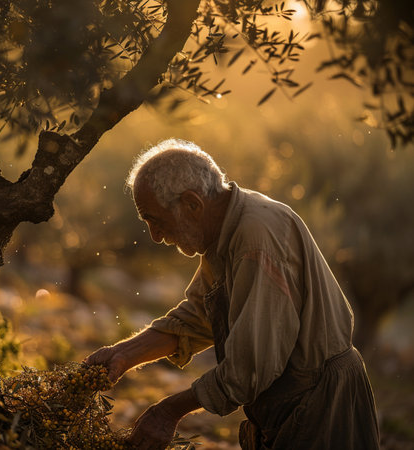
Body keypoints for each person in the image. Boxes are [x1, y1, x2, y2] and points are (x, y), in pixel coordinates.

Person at [84, 139, 380, 450]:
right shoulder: (225, 229)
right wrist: (122, 354)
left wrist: (168, 411)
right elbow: (197, 316)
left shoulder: (256, 240)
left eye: (156, 222)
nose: (156, 237)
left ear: (192, 204)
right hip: (295, 402)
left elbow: (250, 368)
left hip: (322, 405)